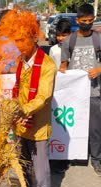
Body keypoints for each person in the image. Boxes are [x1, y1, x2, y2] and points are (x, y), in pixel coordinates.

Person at [12, 13, 57, 187]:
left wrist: (23, 111)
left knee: (41, 174)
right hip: (20, 126)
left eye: (23, 40)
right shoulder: (21, 61)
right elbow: (17, 90)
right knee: (23, 171)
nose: (19, 45)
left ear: (34, 37)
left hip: (37, 128)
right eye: (16, 41)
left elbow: (43, 97)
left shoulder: (47, 64)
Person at [60, 4, 101, 176]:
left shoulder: (98, 38)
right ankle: (71, 157)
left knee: (95, 129)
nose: (87, 24)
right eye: (84, 21)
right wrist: (63, 71)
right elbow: (63, 65)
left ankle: (97, 160)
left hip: (94, 92)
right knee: (73, 127)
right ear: (77, 20)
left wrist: (99, 70)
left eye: (90, 21)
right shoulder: (69, 41)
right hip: (74, 95)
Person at [48, 18, 72, 174]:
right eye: (58, 35)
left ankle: (69, 156)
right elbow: (50, 68)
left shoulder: (74, 49)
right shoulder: (53, 50)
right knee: (57, 124)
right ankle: (55, 157)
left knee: (69, 124)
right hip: (57, 92)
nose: (61, 38)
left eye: (64, 35)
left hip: (71, 92)